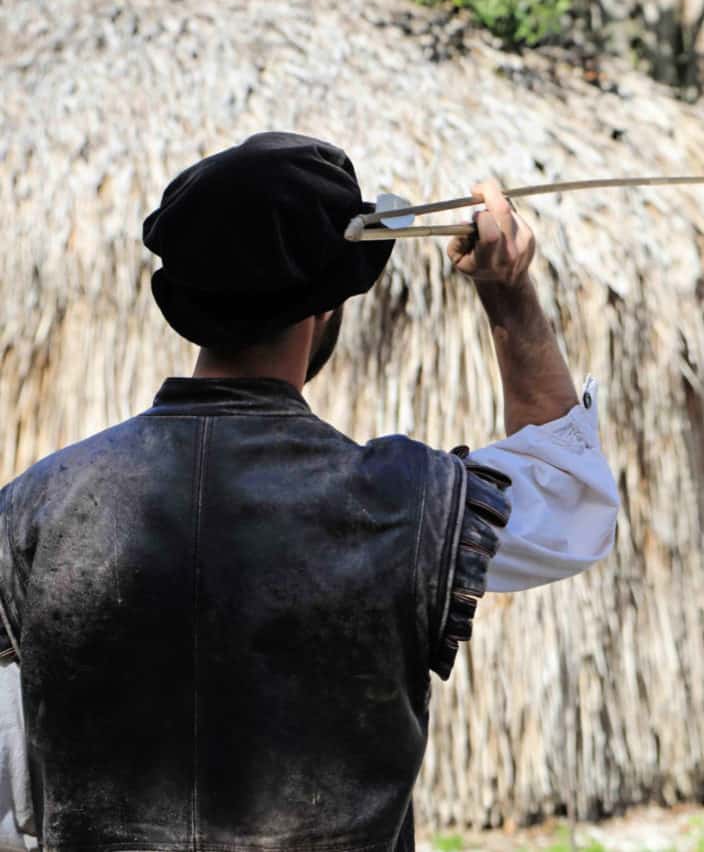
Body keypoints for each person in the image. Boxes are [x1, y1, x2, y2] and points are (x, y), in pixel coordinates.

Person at [0, 132, 618, 852]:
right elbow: (570, 495)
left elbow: (14, 796)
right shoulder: (403, 504)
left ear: (184, 303)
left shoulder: (34, 510)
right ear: (327, 306)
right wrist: (509, 297)